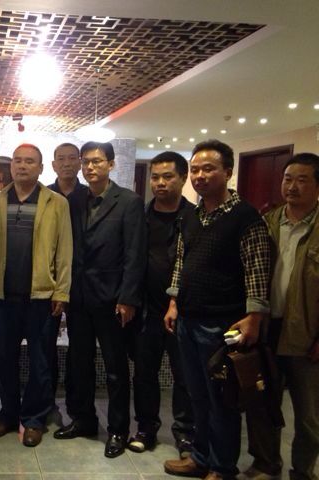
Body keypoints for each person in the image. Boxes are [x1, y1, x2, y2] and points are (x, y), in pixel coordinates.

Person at [163, 140, 271, 480]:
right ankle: (201, 457)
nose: (200, 176)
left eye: (208, 169)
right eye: (195, 169)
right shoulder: (191, 216)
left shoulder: (245, 217)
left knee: (222, 399)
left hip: (223, 324)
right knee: (197, 396)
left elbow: (257, 269)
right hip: (188, 319)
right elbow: (181, 263)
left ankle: (222, 468)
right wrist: (173, 302)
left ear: (228, 171)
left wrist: (254, 317)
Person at [54, 141, 146, 459]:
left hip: (113, 300)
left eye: (97, 161)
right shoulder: (74, 200)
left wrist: (128, 298)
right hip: (79, 297)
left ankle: (118, 429)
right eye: (86, 162)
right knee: (79, 363)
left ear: (111, 164)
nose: (90, 167)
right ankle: (84, 419)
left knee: (115, 368)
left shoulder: (129, 202)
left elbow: (135, 254)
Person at [0, 143, 72, 448]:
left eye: (30, 161)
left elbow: (65, 251)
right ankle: (8, 414)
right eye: (17, 161)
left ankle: (33, 419)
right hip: (3, 298)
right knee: (4, 360)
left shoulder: (56, 203)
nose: (22, 165)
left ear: (41, 168)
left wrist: (61, 291)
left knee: (40, 362)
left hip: (41, 298)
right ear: (11, 166)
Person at [242, 153, 319, 480]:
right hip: (267, 328)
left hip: (307, 335)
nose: (292, 186)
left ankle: (302, 471)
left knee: (309, 415)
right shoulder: (267, 222)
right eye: (288, 179)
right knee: (262, 404)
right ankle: (265, 463)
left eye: (302, 180)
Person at [129, 152, 195, 456]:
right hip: (147, 310)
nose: (160, 183)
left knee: (184, 375)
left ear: (183, 178)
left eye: (168, 177)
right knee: (144, 374)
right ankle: (146, 428)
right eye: (155, 177)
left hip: (185, 311)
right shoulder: (140, 216)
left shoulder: (195, 218)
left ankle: (185, 434)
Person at [47, 142, 88, 403]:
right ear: (53, 165)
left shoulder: (89, 196)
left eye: (72, 158)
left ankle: (77, 406)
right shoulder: (45, 195)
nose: (66, 163)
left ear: (79, 163)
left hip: (83, 282)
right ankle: (47, 402)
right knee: (46, 344)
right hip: (51, 280)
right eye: (61, 159)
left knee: (80, 347)